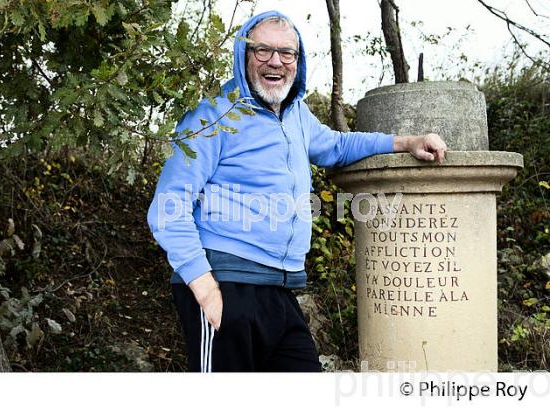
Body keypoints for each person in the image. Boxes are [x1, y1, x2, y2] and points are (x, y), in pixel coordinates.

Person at [147, 10, 447, 372]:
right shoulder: (213, 116)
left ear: (297, 61)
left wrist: (407, 141)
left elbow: (337, 146)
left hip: (279, 287)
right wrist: (205, 287)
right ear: (243, 56)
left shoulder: (297, 115)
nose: (276, 61)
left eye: (286, 53)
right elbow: (167, 207)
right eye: (262, 51)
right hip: (225, 281)